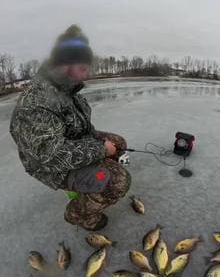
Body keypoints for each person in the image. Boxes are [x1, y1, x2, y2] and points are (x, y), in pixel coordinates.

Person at [10, 25, 131, 231]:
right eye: (83, 68)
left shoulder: (67, 90)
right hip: (50, 167)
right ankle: (78, 214)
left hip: (72, 145)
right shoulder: (36, 103)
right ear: (65, 65)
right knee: (119, 180)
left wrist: (101, 144)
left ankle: (91, 183)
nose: (87, 74)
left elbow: (82, 128)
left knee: (118, 144)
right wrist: (101, 149)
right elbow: (50, 155)